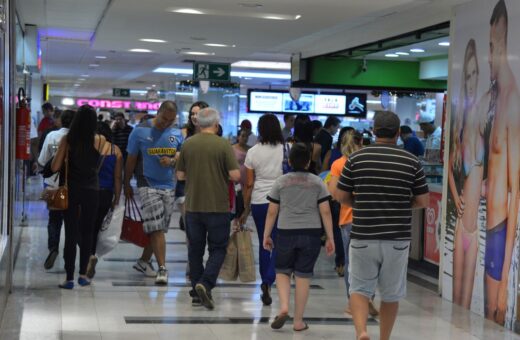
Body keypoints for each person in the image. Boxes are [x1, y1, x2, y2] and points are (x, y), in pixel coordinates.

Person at [335, 111, 429, 340]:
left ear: (374, 132)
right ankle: (384, 338)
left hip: (363, 235)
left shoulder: (356, 159)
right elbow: (423, 200)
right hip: (397, 238)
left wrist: (359, 204)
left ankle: (361, 332)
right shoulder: (411, 161)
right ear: (398, 133)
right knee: (391, 294)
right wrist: (400, 205)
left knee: (358, 288)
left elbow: (341, 195)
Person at [264, 143, 335, 332]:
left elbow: (272, 211)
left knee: (282, 271)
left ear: (289, 161)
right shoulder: (317, 181)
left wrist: (266, 235)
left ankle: (284, 306)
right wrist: (330, 237)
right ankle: (298, 321)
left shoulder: (281, 181)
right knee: (303, 276)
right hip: (311, 234)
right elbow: (326, 211)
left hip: (286, 232)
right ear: (308, 162)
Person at [176, 107, 240, 310]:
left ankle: (196, 291)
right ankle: (206, 282)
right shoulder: (223, 144)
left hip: (193, 206)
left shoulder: (188, 144)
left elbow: (180, 176)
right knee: (218, 248)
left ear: (198, 123)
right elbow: (235, 176)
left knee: (194, 249)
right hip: (218, 206)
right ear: (216, 122)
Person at [482, 0, 520, 325]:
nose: (492, 53)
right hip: (490, 226)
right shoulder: (493, 97)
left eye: (497, 44)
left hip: (501, 230)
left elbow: (516, 194)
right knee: (485, 317)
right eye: (489, 45)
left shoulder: (511, 101)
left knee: (494, 315)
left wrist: (507, 279)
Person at [124, 101, 183, 285]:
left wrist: (173, 160)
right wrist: (126, 183)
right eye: (164, 119)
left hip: (168, 185)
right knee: (156, 227)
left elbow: (181, 154)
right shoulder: (140, 131)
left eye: (171, 120)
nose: (166, 123)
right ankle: (162, 269)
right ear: (158, 112)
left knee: (159, 227)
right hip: (146, 183)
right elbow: (131, 159)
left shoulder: (176, 133)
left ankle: (143, 261)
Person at [51, 105, 108, 289]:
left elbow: (54, 167)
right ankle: (83, 275)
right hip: (92, 190)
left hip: (72, 190)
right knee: (88, 232)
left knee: (70, 233)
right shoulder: (100, 140)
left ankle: (69, 278)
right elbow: (103, 158)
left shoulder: (68, 139)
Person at [447, 39, 484, 310]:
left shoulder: (483, 114)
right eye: (467, 75)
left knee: (467, 302)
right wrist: (453, 195)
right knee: (456, 302)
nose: (471, 80)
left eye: (475, 74)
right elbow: (449, 166)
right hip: (461, 225)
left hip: (475, 227)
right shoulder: (460, 123)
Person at [328, 130, 379, 317]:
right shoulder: (369, 162)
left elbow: (334, 193)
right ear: (362, 142)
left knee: (351, 263)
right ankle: (369, 297)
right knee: (371, 261)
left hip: (348, 219)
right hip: (370, 218)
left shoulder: (338, 164)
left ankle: (352, 302)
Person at [239, 114, 285, 306]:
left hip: (259, 201)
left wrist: (245, 208)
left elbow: (249, 183)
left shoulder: (253, 152)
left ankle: (265, 280)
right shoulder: (285, 149)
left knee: (264, 240)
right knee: (278, 240)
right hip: (282, 200)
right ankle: (270, 278)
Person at [38, 109, 75, 270]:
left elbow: (42, 161)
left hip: (52, 185)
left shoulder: (51, 136)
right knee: (71, 221)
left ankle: (53, 248)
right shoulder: (79, 138)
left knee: (54, 219)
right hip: (72, 185)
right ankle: (70, 259)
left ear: (60, 120)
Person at [86, 124, 123, 279]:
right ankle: (91, 255)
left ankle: (88, 256)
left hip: (87, 191)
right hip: (105, 193)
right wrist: (117, 197)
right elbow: (117, 177)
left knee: (85, 227)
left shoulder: (87, 147)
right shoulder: (116, 151)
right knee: (96, 227)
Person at [232, 129, 250, 221]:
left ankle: (241, 225)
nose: (245, 138)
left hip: (247, 182)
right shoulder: (232, 148)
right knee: (237, 205)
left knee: (245, 205)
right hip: (236, 182)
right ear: (238, 137)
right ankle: (236, 224)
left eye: (246, 136)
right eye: (243, 136)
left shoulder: (250, 149)